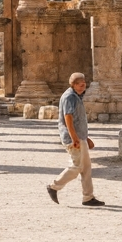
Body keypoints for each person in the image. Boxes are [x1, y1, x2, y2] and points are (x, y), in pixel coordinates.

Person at [46, 72, 104, 206]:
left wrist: (85, 137)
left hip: (79, 137)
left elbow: (77, 121)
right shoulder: (69, 97)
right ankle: (54, 186)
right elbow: (68, 118)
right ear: (73, 84)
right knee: (77, 166)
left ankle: (88, 197)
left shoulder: (76, 96)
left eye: (84, 84)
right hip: (73, 138)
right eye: (80, 84)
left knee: (86, 167)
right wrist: (74, 138)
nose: (83, 87)